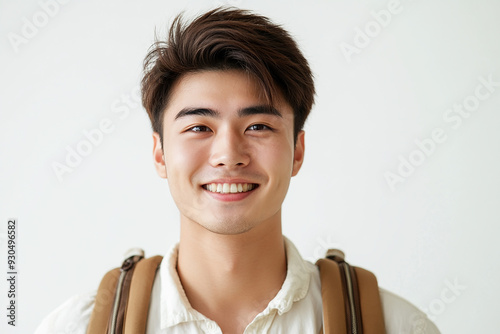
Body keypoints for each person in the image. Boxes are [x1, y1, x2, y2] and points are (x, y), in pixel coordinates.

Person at [35, 7, 440, 334]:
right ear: (159, 153)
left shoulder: (398, 326)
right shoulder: (74, 326)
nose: (229, 154)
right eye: (198, 128)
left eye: (258, 127)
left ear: (297, 150)